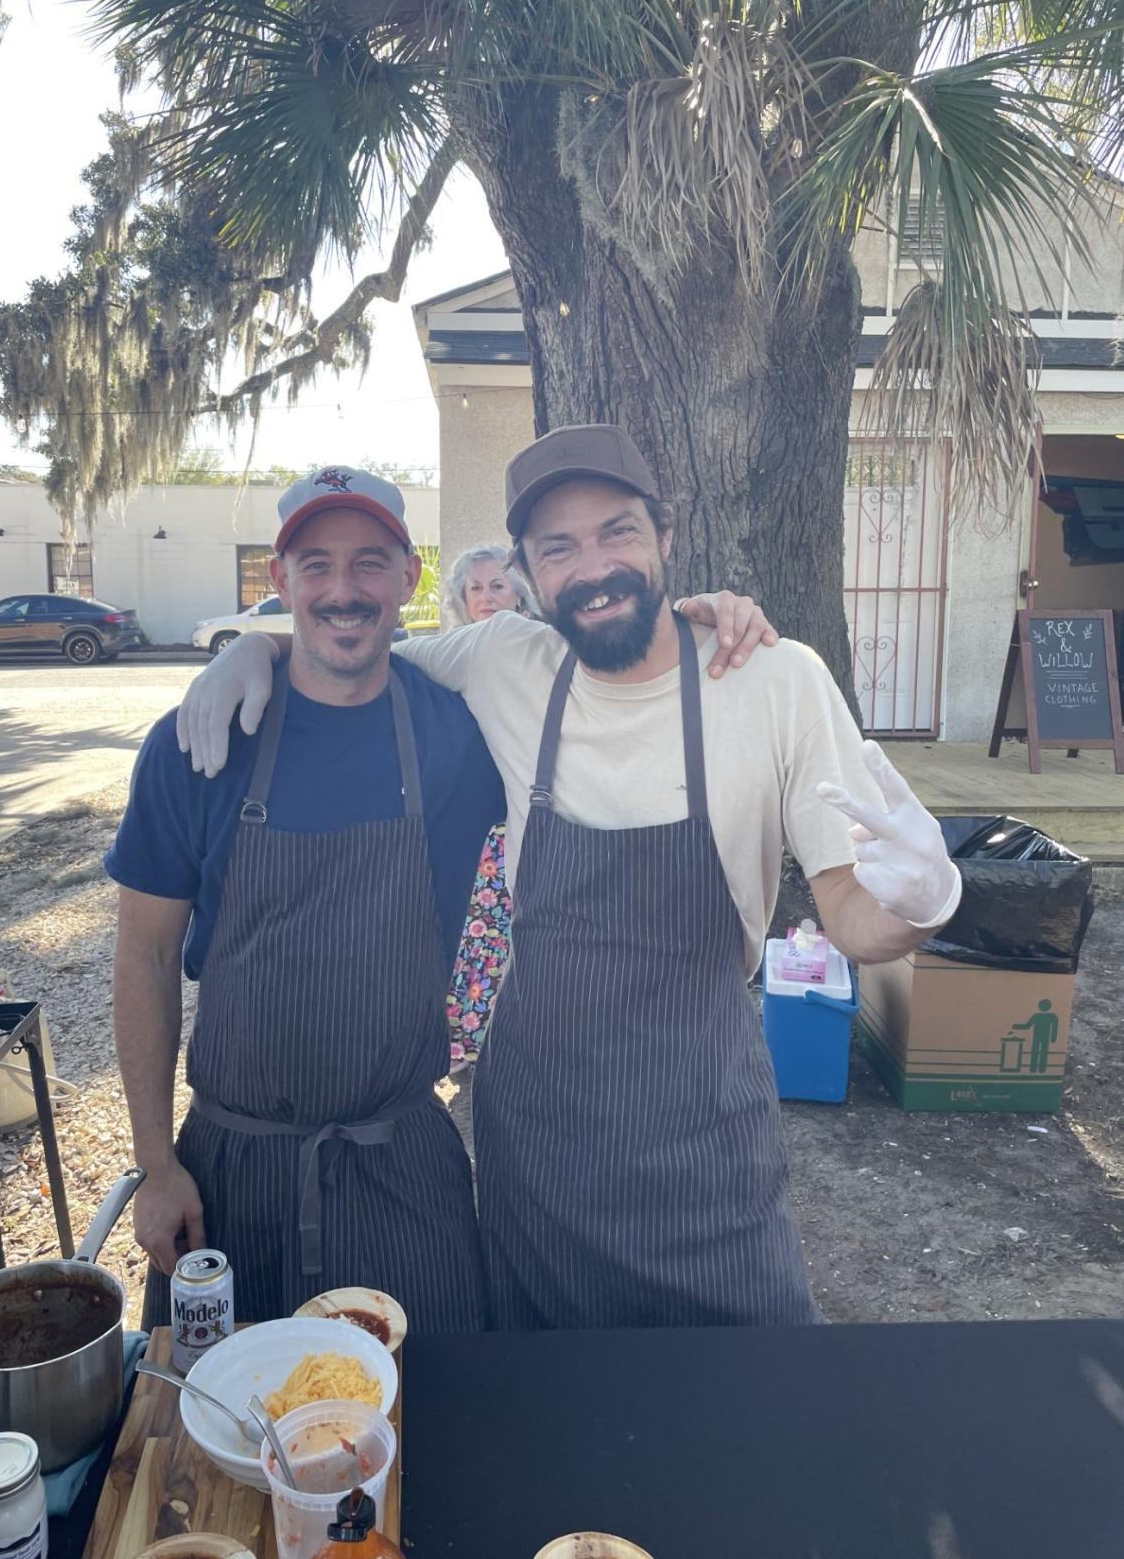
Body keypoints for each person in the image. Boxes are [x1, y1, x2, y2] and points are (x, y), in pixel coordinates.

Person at [178, 427, 956, 1332]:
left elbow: (853, 912)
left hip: (706, 1151)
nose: (594, 568)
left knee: (753, 1413)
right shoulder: (507, 661)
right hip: (536, 1156)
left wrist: (918, 905)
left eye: (617, 533)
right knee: (551, 1427)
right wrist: (257, 651)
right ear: (527, 573)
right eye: (560, 548)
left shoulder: (774, 680)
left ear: (667, 536)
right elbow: (351, 651)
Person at [108, 461, 768, 1333]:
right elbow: (143, 957)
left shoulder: (462, 729)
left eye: (370, 563)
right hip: (233, 1172)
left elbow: (613, 670)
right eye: (316, 566)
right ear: (280, 581)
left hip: (406, 1168)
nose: (344, 591)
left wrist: (698, 618)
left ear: (411, 578)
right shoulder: (201, 744)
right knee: (217, 1445)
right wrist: (157, 1166)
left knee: (442, 1433)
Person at [442, 545, 532, 1063]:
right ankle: (467, 1044)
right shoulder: (451, 650)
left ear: (521, 592)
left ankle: (505, 1039)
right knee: (472, 936)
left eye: (496, 584)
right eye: (474, 588)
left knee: (511, 937)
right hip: (471, 816)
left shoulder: (545, 646)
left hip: (525, 813)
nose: (485, 596)